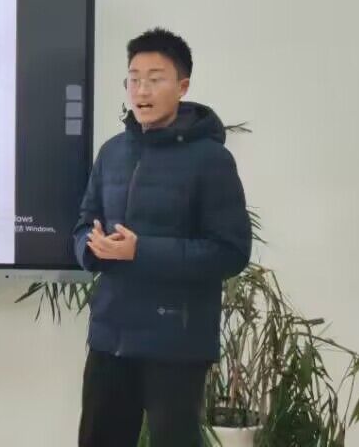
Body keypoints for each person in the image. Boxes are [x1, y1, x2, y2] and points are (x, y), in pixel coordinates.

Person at [73, 27, 252, 447]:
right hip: (111, 336)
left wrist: (141, 251)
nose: (142, 90)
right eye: (134, 79)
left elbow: (230, 251)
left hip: (177, 342)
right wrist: (91, 249)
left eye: (155, 79)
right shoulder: (112, 152)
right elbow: (83, 223)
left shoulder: (211, 160)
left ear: (182, 86)